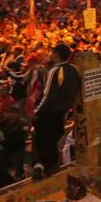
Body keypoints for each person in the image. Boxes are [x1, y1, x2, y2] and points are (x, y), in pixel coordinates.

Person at [33, 43, 81, 178]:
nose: (51, 55)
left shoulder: (56, 70)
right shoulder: (74, 70)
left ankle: (40, 166)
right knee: (53, 140)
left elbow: (48, 95)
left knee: (42, 139)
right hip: (62, 112)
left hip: (49, 112)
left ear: (57, 54)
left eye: (52, 52)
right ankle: (51, 168)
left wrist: (36, 112)